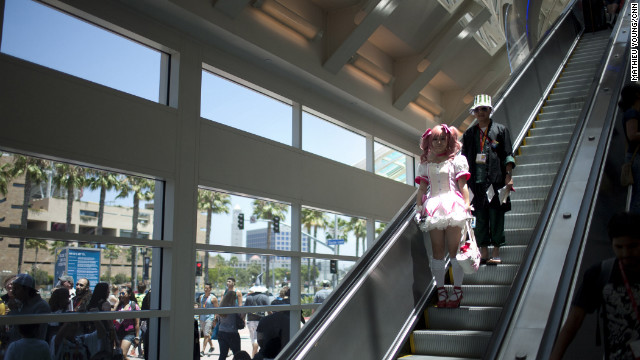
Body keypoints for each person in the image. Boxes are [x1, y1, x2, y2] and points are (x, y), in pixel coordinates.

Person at [550, 212, 640, 360]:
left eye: (632, 246)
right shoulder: (600, 273)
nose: (625, 253)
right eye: (619, 247)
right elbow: (574, 319)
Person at [416, 124, 472, 308]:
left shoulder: (457, 160)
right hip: (433, 207)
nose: (439, 142)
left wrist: (466, 205)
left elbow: (462, 185)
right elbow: (422, 188)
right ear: (429, 141)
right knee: (437, 251)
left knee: (455, 250)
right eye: (435, 139)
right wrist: (418, 208)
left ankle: (457, 290)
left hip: (453, 205)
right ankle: (441, 291)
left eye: (442, 139)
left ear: (448, 140)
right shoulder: (425, 163)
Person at [461, 94, 515, 266]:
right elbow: (464, 160)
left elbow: (507, 154)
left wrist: (508, 176)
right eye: (478, 109)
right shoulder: (469, 134)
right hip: (476, 183)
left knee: (497, 215)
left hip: (497, 181)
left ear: (490, 110)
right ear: (474, 113)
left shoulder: (500, 130)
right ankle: (483, 251)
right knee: (480, 217)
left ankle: (496, 250)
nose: (481, 112)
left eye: (484, 109)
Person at [8, 273, 51, 341]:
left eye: (16, 288)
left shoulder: (41, 307)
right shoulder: (21, 304)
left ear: (26, 290)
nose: (13, 292)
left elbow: (34, 334)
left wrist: (15, 310)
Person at [618, 84, 640, 214]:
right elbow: (632, 135)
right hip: (636, 158)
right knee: (638, 193)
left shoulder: (634, 112)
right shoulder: (632, 113)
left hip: (635, 157)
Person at [114, 286, 140, 360]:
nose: (121, 295)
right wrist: (117, 303)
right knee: (120, 356)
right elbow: (111, 314)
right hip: (118, 332)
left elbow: (137, 323)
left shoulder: (134, 306)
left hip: (129, 332)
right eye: (120, 293)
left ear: (129, 294)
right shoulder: (119, 305)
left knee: (122, 354)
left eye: (123, 293)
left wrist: (137, 337)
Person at [245, 285, 270, 357]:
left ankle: (254, 355)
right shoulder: (264, 297)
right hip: (261, 321)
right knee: (258, 339)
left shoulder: (249, 297)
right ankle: (254, 355)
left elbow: (244, 310)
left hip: (250, 321)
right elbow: (269, 310)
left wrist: (242, 318)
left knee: (253, 339)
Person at [216, 290, 242, 360]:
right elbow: (240, 316)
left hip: (222, 332)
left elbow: (218, 320)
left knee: (223, 354)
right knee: (237, 354)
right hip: (232, 332)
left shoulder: (221, 307)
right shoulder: (234, 307)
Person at [198, 282, 218, 357]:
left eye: (207, 288)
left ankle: (202, 350)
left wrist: (215, 319)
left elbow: (217, 309)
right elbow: (200, 307)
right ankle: (212, 346)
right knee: (207, 333)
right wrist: (199, 316)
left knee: (206, 335)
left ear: (210, 289)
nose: (205, 289)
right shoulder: (201, 297)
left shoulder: (213, 298)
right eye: (205, 288)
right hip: (202, 318)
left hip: (210, 318)